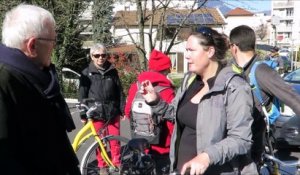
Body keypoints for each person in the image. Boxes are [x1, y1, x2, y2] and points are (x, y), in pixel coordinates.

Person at [139, 27, 256, 175]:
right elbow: (176, 114)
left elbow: (241, 139)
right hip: (180, 169)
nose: (186, 56)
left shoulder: (234, 87)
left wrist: (206, 156)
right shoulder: (190, 79)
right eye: (186, 50)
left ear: (210, 52)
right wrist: (155, 101)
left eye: (191, 50)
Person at [0, 4, 80, 175]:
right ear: (32, 46)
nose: (54, 46)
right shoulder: (5, 81)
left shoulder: (37, 76)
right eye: (53, 41)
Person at [229, 25, 300, 166]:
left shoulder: (262, 71)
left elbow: (294, 99)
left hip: (253, 150)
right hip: (232, 147)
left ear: (234, 47)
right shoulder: (232, 69)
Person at [124, 49, 175, 174]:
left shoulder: (136, 87)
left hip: (140, 143)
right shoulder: (166, 91)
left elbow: (127, 112)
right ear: (165, 70)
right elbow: (172, 122)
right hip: (163, 147)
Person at [79, 43, 125, 174]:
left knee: (115, 141)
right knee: (100, 142)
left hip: (112, 112)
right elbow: (82, 94)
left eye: (104, 55)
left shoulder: (112, 70)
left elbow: (119, 91)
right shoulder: (86, 72)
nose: (101, 58)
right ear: (92, 56)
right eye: (97, 55)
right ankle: (102, 166)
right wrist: (83, 114)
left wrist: (122, 109)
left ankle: (117, 163)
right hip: (96, 113)